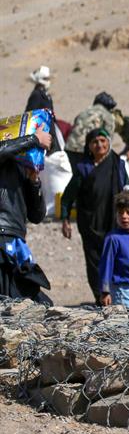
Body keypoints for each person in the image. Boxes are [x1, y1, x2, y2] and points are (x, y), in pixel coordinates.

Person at [60, 128, 129, 302]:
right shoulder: (83, 168)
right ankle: (100, 297)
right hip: (89, 224)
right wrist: (65, 218)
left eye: (102, 140)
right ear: (89, 146)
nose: (99, 144)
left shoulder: (118, 164)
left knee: (116, 258)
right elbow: (69, 194)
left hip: (113, 221)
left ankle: (117, 296)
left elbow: (127, 187)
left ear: (108, 142)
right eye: (94, 142)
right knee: (94, 263)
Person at [0, 126, 53, 303]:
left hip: (15, 242)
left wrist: (34, 182)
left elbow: (37, 216)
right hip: (1, 240)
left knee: (34, 300)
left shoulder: (21, 166)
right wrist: (35, 139)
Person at [65, 92, 118, 167]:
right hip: (86, 151)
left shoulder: (85, 112)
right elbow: (108, 138)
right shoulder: (107, 115)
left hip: (69, 148)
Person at [25, 65, 64, 153]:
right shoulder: (36, 95)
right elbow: (29, 115)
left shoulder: (46, 95)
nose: (48, 82)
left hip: (51, 131)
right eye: (45, 79)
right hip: (42, 133)